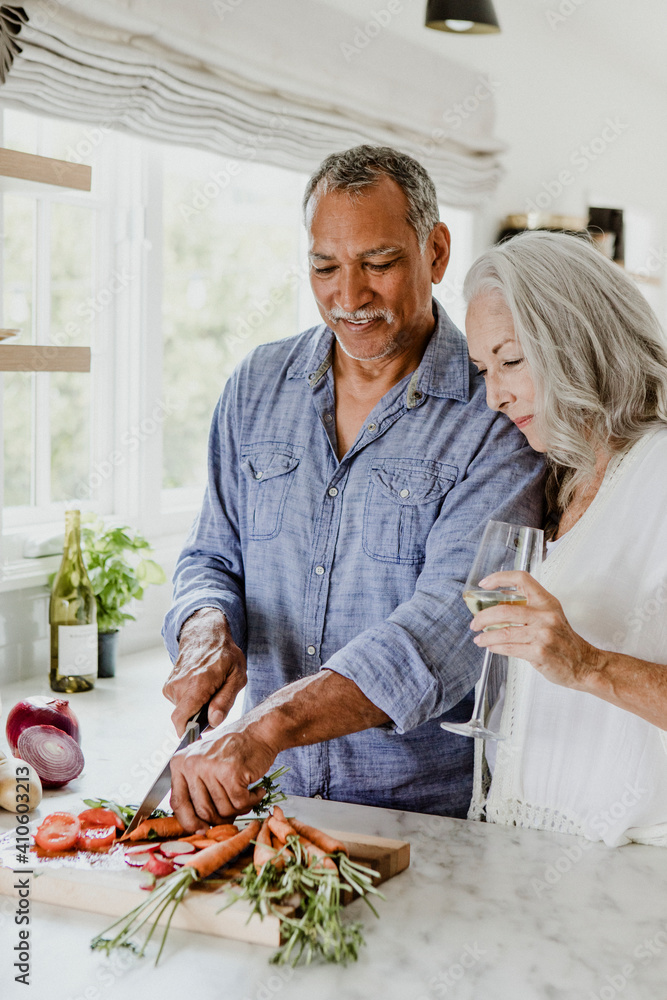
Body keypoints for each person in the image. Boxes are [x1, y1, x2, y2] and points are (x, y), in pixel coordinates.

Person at [161, 145, 544, 830]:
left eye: (378, 263)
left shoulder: (496, 411)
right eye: (324, 266)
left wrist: (267, 726)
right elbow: (212, 558)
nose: (349, 296)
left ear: (434, 251)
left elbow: (450, 625)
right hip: (265, 803)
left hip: (422, 819)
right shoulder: (256, 385)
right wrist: (205, 630)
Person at [463, 229, 667, 847]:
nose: (495, 395)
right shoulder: (561, 476)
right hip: (536, 851)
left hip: (633, 872)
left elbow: (577, 667)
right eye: (482, 369)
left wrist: (588, 665)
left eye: (511, 360)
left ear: (575, 340)